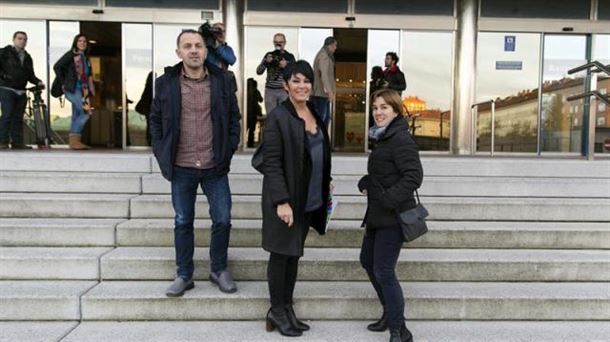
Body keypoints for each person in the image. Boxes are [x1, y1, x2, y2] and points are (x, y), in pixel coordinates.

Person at [149, 29, 241, 297]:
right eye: (187, 46)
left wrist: (229, 149)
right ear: (179, 52)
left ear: (205, 50)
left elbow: (234, 118)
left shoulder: (223, 80)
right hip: (181, 165)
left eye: (198, 45)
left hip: (215, 165)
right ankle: (184, 274)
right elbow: (155, 120)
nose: (193, 50)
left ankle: (218, 269)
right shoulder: (165, 82)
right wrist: (160, 150)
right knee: (182, 220)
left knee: (222, 218)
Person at [260, 60, 331, 337]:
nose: (302, 86)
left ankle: (286, 308)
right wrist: (281, 201)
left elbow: (316, 152)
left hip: (308, 199)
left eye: (307, 81)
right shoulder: (279, 116)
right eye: (296, 81)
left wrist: (326, 180)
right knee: (281, 257)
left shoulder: (313, 111)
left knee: (293, 257)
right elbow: (272, 161)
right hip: (286, 201)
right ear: (286, 85)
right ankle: (277, 311)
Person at [358, 89, 423, 342]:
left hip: (392, 216)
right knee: (367, 261)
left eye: (384, 107)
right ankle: (389, 313)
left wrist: (387, 199)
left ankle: (400, 330)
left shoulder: (401, 139)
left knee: (384, 270)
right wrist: (369, 181)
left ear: (395, 110)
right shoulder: (383, 137)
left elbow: (413, 176)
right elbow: (388, 171)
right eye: (375, 108)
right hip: (377, 215)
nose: (378, 112)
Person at [0, 31, 44, 149]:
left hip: (21, 91)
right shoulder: (4, 52)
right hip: (7, 89)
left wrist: (38, 82)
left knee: (18, 118)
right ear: (14, 39)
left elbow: (31, 75)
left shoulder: (28, 57)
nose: (22, 41)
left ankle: (17, 142)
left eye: (25, 39)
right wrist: (4, 77)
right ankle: (2, 142)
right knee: (7, 115)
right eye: (20, 39)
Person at [53, 33, 95, 150]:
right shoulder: (71, 54)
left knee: (77, 114)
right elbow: (57, 66)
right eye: (80, 41)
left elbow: (88, 74)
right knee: (86, 113)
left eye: (84, 41)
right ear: (76, 43)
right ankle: (74, 140)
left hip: (83, 90)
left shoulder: (85, 58)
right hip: (72, 89)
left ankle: (75, 142)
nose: (82, 43)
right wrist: (63, 83)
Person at [256, 33, 295, 114]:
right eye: (276, 42)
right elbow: (259, 71)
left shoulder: (289, 57)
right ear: (273, 43)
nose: (278, 44)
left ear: (285, 43)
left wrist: (287, 65)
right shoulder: (269, 55)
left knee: (284, 117)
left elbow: (295, 74)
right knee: (271, 117)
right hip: (270, 91)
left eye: (280, 42)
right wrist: (266, 62)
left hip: (284, 91)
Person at [312, 36, 337, 129]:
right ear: (330, 45)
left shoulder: (324, 54)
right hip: (321, 93)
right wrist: (329, 91)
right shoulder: (324, 55)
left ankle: (323, 141)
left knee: (325, 119)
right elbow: (324, 74)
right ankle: (320, 142)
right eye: (334, 45)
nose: (335, 48)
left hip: (322, 93)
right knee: (322, 120)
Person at [247, 77, 263, 148]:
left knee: (248, 129)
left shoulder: (246, 92)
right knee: (251, 130)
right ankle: (250, 144)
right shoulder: (255, 91)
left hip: (249, 113)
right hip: (252, 113)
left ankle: (249, 144)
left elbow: (260, 100)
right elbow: (261, 100)